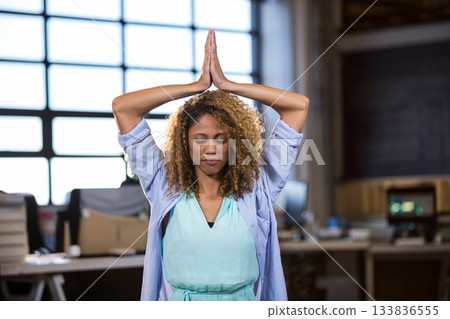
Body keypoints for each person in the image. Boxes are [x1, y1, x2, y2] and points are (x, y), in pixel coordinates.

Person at [112, 30, 309, 301]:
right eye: (200, 139)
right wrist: (196, 86)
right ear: (184, 143)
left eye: (221, 138)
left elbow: (298, 106)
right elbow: (123, 108)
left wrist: (228, 86)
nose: (211, 149)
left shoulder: (257, 186)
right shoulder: (163, 184)